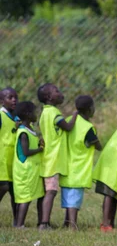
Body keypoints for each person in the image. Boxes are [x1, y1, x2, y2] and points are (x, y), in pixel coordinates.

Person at [37, 84, 78, 229]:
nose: (60, 93)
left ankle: (43, 222)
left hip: (48, 158)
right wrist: (74, 116)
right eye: (57, 91)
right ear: (49, 97)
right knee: (51, 191)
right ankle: (44, 223)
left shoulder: (44, 113)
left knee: (48, 192)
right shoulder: (54, 113)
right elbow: (67, 127)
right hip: (53, 160)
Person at [59, 95, 102, 229]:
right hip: (78, 167)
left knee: (68, 196)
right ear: (90, 109)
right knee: (74, 199)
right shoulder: (87, 127)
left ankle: (66, 222)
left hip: (65, 165)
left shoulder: (67, 121)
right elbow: (97, 145)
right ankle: (73, 225)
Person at [12, 101, 44, 228]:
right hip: (25, 170)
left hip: (31, 169)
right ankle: (20, 225)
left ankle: (19, 223)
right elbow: (26, 151)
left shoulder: (30, 129)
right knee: (25, 198)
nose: (36, 114)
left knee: (27, 196)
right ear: (27, 114)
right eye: (34, 112)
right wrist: (39, 149)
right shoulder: (23, 132)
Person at [0, 87, 19, 225]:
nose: (14, 100)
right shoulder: (1, 116)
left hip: (14, 161)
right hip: (2, 160)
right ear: (2, 101)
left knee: (15, 191)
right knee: (3, 187)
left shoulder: (17, 117)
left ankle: (17, 221)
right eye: (10, 97)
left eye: (15, 97)